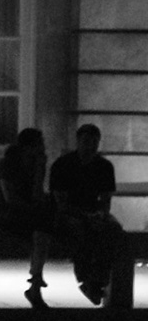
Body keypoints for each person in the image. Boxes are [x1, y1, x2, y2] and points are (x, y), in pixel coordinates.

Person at [50, 123, 123, 307]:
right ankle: (87, 279)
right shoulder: (63, 164)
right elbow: (61, 203)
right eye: (86, 141)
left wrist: (101, 214)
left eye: (94, 142)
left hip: (93, 211)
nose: (90, 146)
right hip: (69, 212)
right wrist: (87, 216)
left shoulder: (104, 166)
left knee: (113, 229)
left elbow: (105, 199)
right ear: (78, 141)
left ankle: (97, 280)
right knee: (78, 229)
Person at [0, 128, 53, 309]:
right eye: (40, 143)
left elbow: (37, 194)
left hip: (29, 212)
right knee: (42, 226)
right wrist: (34, 207)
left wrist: (40, 170)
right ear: (29, 147)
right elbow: (9, 199)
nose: (43, 147)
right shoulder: (8, 164)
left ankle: (36, 280)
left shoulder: (35, 164)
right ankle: (36, 280)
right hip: (8, 214)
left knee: (43, 227)